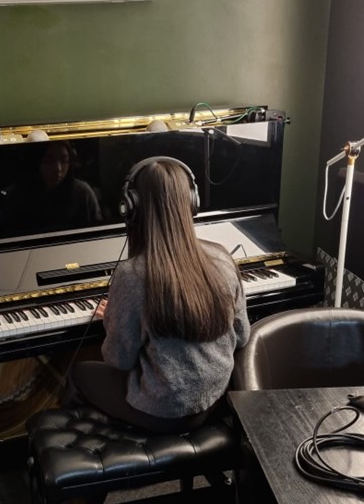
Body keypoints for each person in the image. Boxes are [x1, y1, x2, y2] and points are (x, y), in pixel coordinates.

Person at [64, 156, 250, 432]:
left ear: (132, 208)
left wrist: (111, 320)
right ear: (191, 203)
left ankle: (96, 456)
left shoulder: (132, 275)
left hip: (164, 412)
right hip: (215, 401)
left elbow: (118, 360)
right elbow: (242, 335)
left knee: (77, 374)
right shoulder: (222, 257)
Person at [1, 140, 102, 234]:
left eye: (64, 160)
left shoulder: (83, 193)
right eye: (49, 161)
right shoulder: (16, 195)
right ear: (36, 162)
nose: (58, 168)